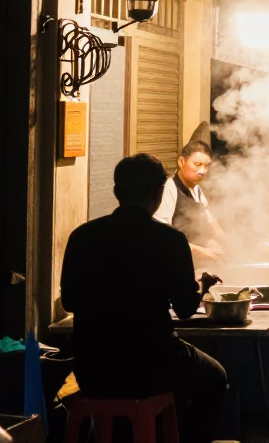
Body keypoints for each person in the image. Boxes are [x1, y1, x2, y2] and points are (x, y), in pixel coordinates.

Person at [61, 154, 227, 443]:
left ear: (116, 192)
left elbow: (69, 302)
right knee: (215, 376)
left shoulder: (82, 236)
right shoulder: (171, 240)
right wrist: (202, 285)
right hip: (152, 364)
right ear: (157, 193)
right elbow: (186, 309)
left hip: (93, 369)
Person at [154, 141, 227, 266]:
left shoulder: (196, 189)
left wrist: (224, 244)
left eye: (206, 166)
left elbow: (209, 220)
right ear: (181, 162)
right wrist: (203, 252)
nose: (202, 171)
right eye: (197, 164)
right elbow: (162, 236)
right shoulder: (169, 188)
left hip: (194, 263)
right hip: (174, 263)